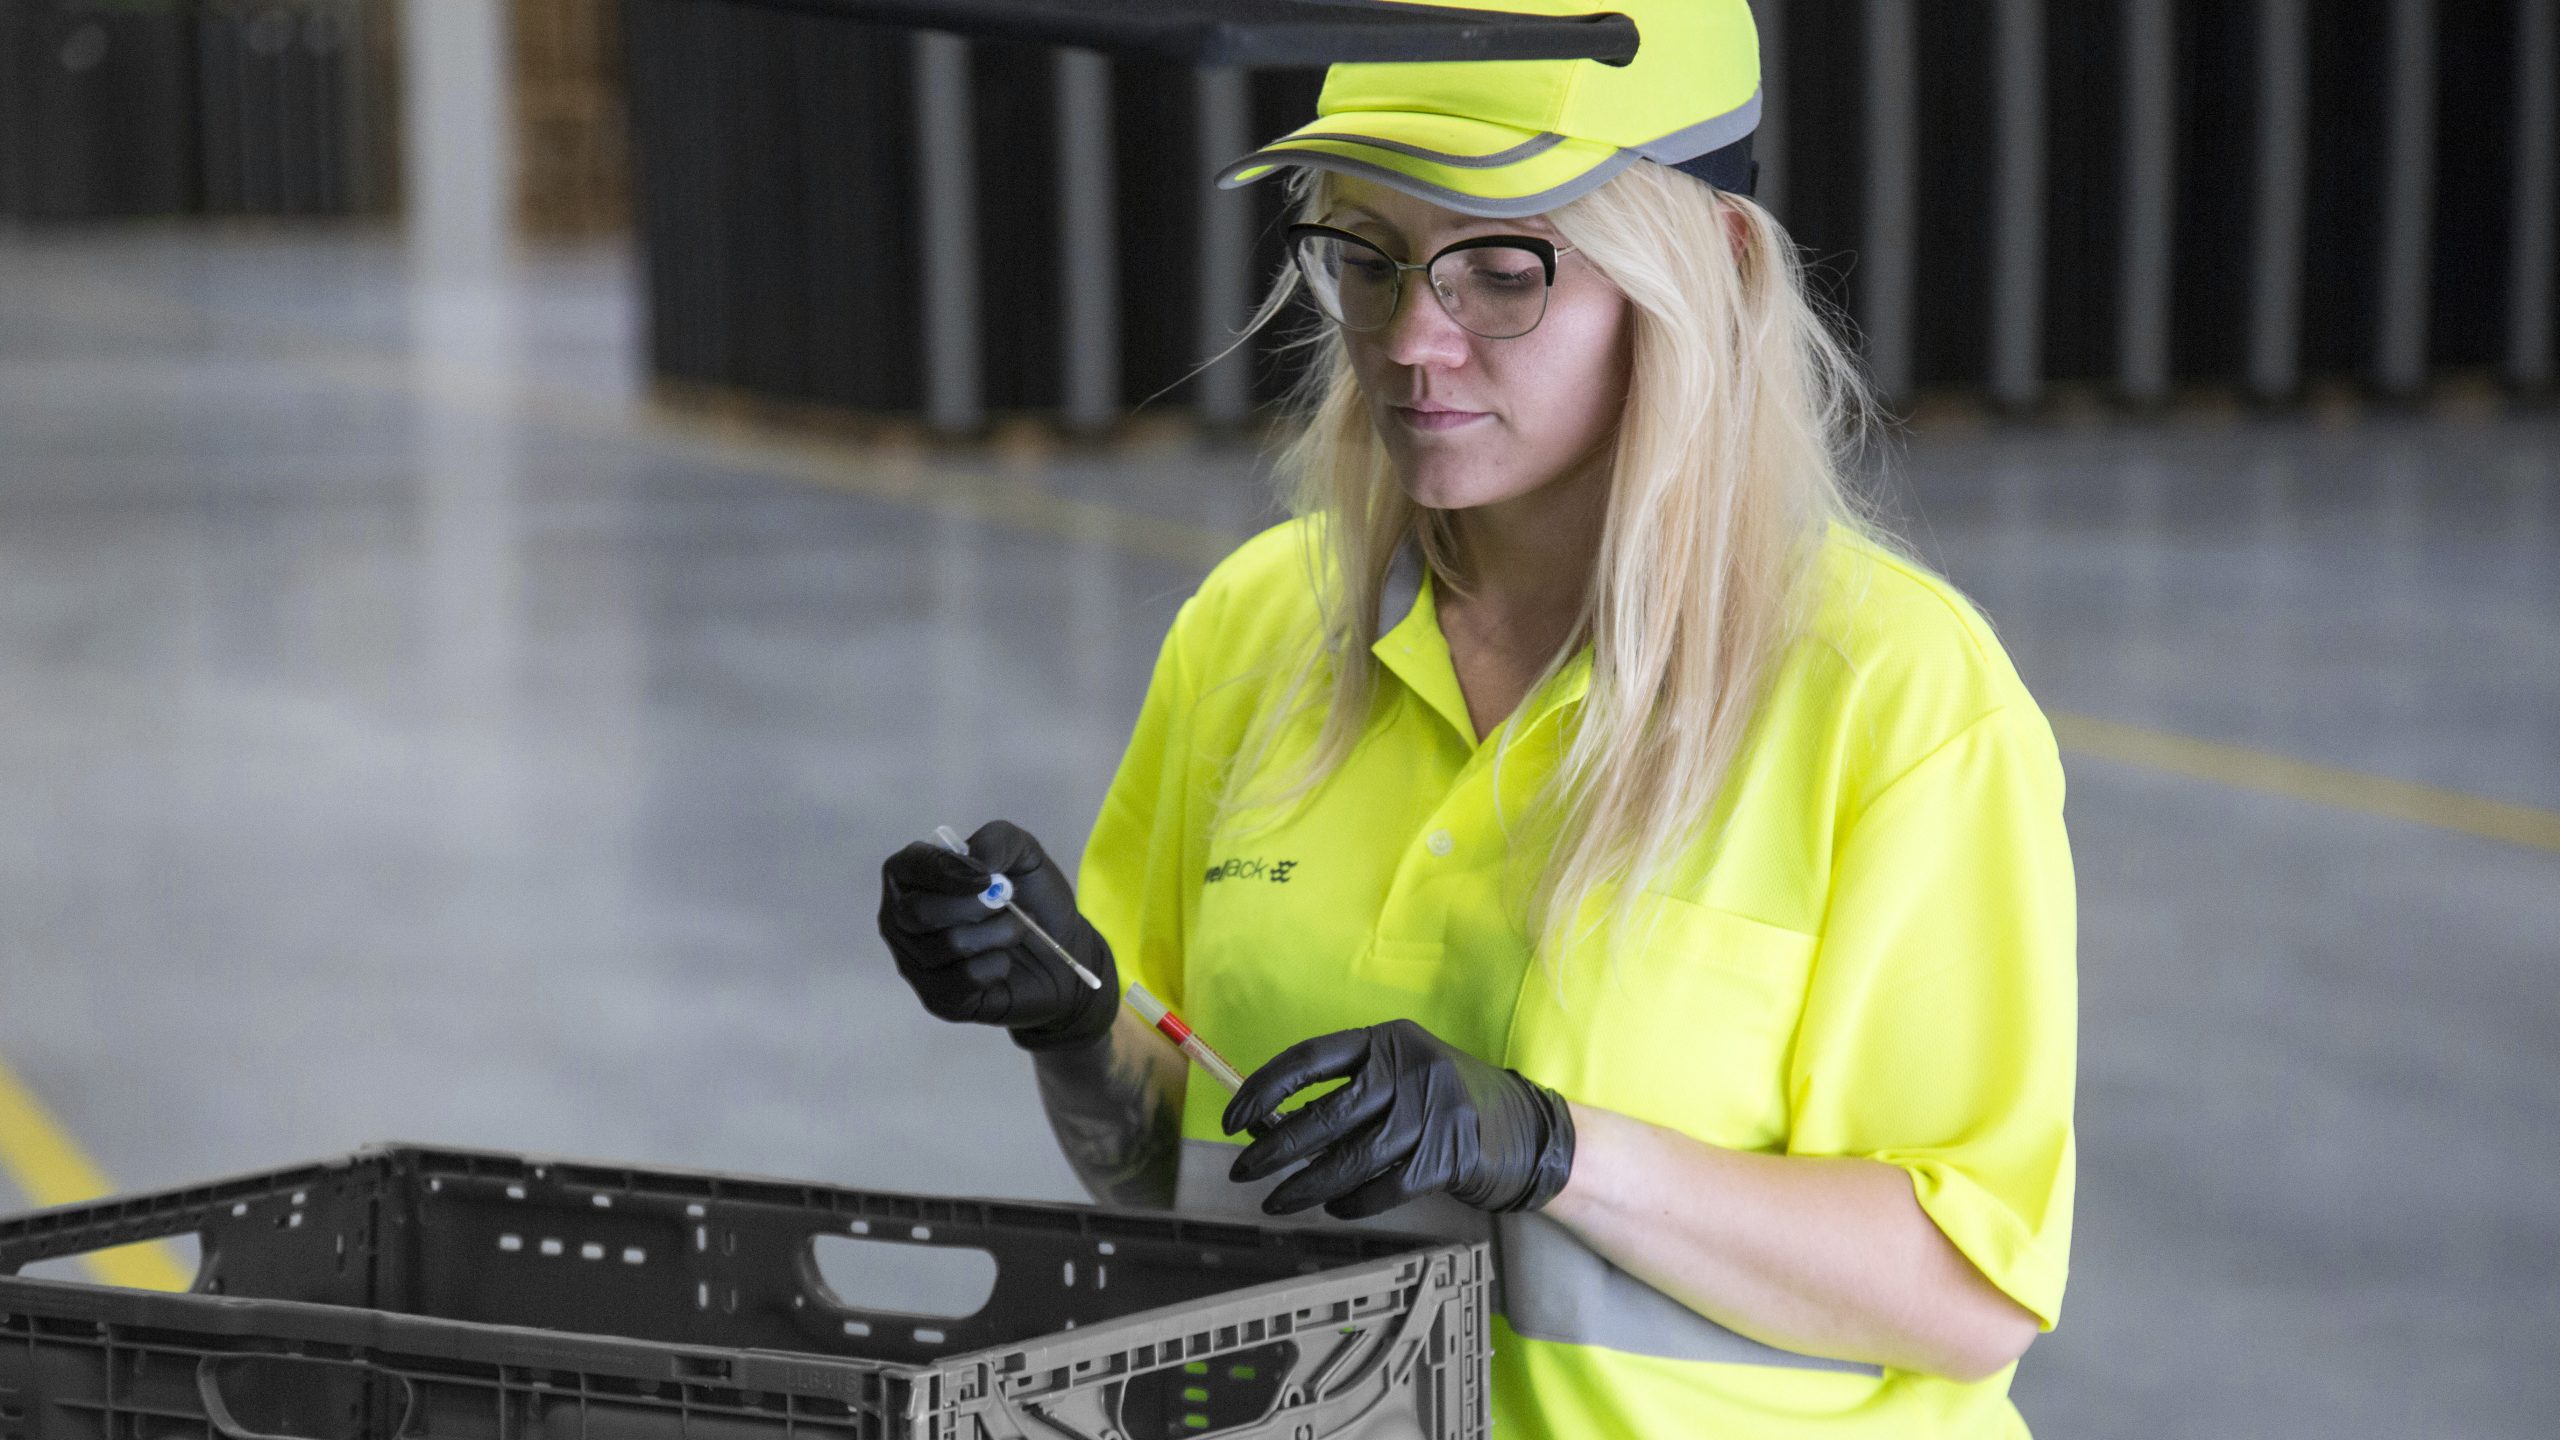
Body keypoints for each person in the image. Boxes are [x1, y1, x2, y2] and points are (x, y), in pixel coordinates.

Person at [876, 1, 2076, 1433]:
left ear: (1711, 270)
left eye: (1501, 272)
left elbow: (1967, 1290)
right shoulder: (1260, 634)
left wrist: (1553, 1147)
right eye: (1367, 262)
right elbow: (1177, 1182)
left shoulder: (1889, 698)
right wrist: (1073, 1021)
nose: (1413, 342)